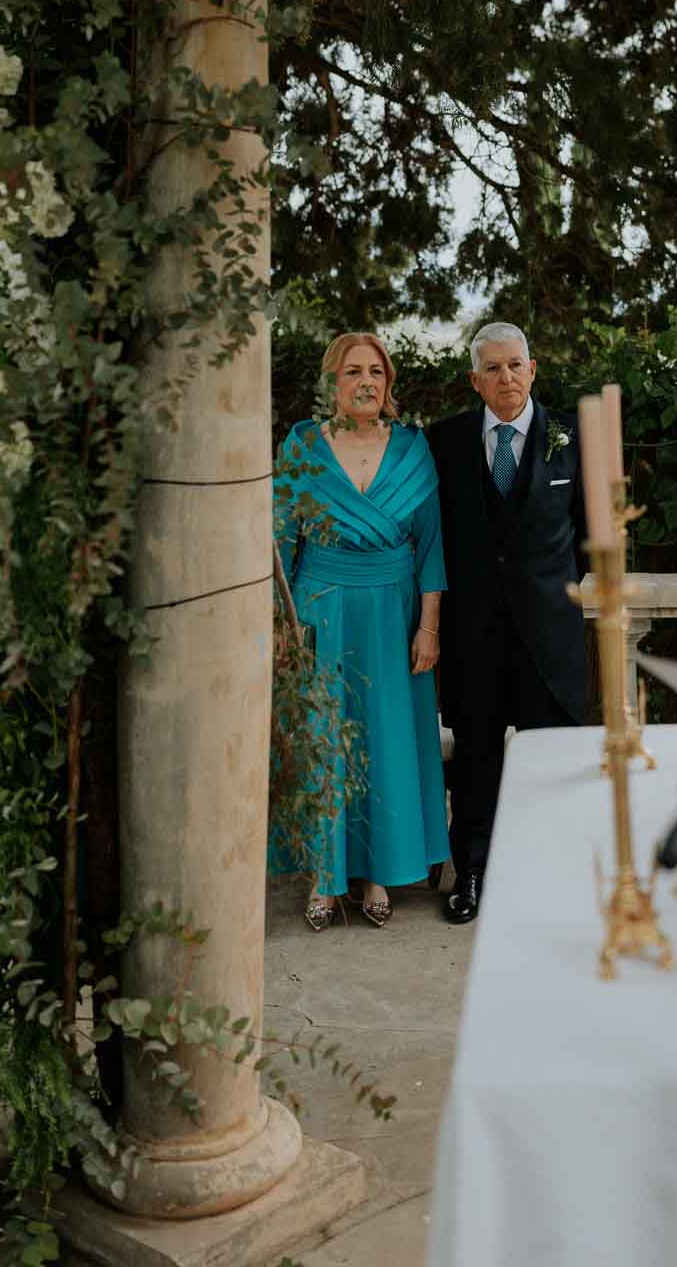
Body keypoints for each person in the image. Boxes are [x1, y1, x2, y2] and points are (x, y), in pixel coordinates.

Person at [273, 332, 450, 928]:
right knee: (324, 737)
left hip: (393, 611)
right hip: (321, 607)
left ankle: (379, 875)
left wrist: (428, 628)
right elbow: (278, 541)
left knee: (385, 737)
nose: (367, 382)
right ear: (335, 382)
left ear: (389, 382)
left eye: (376, 371)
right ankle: (323, 880)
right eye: (354, 372)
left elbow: (431, 550)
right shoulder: (302, 443)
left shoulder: (412, 449)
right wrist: (281, 622)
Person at [428, 321, 588, 924]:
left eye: (515, 365)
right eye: (492, 368)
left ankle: (550, 874)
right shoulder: (443, 441)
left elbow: (594, 532)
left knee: (551, 759)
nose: (506, 378)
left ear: (533, 368)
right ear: (475, 379)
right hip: (475, 635)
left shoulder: (573, 439)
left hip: (550, 636)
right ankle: (470, 873)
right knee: (474, 759)